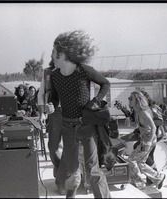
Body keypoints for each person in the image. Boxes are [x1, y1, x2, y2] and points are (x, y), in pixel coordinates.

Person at [47, 30, 111, 198]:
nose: (52, 56)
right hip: (67, 126)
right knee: (71, 169)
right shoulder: (54, 76)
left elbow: (105, 83)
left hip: (85, 125)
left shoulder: (84, 70)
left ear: (62, 54)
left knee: (92, 168)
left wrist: (96, 100)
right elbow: (54, 98)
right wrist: (51, 106)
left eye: (54, 53)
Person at [127, 91, 166, 190]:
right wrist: (128, 122)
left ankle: (139, 182)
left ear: (137, 100)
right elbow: (136, 125)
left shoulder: (144, 112)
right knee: (140, 163)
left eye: (131, 98)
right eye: (129, 98)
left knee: (132, 159)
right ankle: (158, 177)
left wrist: (148, 142)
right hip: (145, 138)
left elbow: (153, 126)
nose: (129, 100)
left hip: (148, 139)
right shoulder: (137, 111)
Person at [38, 60, 65, 195]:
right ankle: (61, 175)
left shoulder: (73, 70)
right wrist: (42, 113)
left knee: (71, 149)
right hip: (55, 113)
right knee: (53, 148)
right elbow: (41, 93)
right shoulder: (48, 73)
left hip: (72, 113)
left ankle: (62, 182)